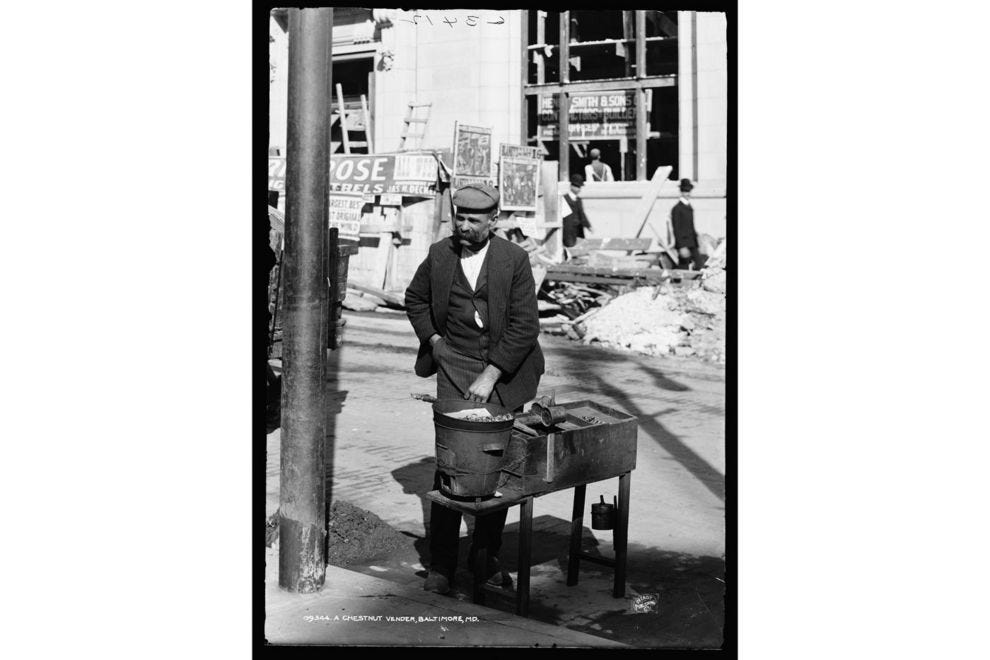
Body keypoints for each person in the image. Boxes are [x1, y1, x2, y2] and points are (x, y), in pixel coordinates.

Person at [405, 182, 545, 595]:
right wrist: (434, 342)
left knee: (495, 468)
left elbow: (525, 327)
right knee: (452, 467)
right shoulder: (439, 254)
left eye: (473, 220)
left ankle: (485, 560)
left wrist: (491, 375)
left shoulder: (514, 260)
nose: (463, 227)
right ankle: (442, 565)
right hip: (453, 364)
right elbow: (414, 299)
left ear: (493, 220)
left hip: (505, 370)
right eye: (458, 218)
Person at [671, 178, 706, 270]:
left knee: (699, 264)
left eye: (689, 191)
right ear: (681, 192)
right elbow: (676, 229)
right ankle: (678, 283)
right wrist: (681, 247)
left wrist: (697, 239)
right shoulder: (677, 209)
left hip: (692, 242)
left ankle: (692, 283)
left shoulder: (689, 207)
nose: (688, 194)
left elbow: (691, 225)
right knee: (683, 267)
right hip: (683, 243)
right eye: (685, 191)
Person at [561, 173, 592, 249]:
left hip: (578, 230)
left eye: (579, 187)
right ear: (571, 186)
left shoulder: (578, 200)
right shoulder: (564, 199)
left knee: (579, 248)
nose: (578, 189)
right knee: (569, 247)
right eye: (576, 186)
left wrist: (588, 225)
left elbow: (582, 215)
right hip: (567, 229)